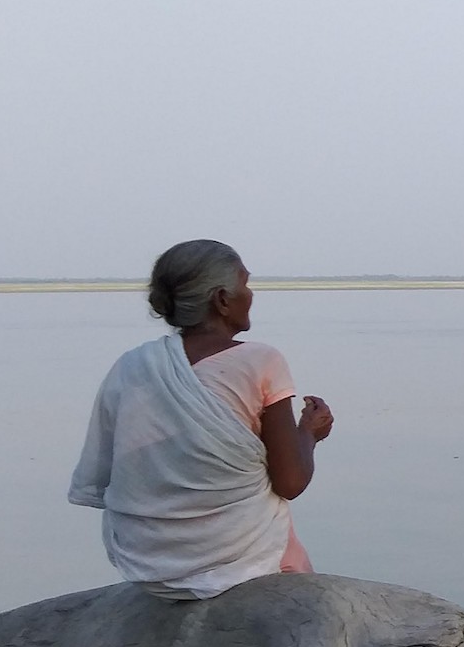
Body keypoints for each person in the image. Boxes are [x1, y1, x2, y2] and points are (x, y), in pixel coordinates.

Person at [69, 240, 335, 600]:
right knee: (291, 555)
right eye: (246, 284)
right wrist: (309, 432)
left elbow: (116, 469)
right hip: (235, 557)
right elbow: (290, 482)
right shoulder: (262, 361)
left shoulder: (132, 366)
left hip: (147, 562)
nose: (251, 294)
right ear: (222, 300)